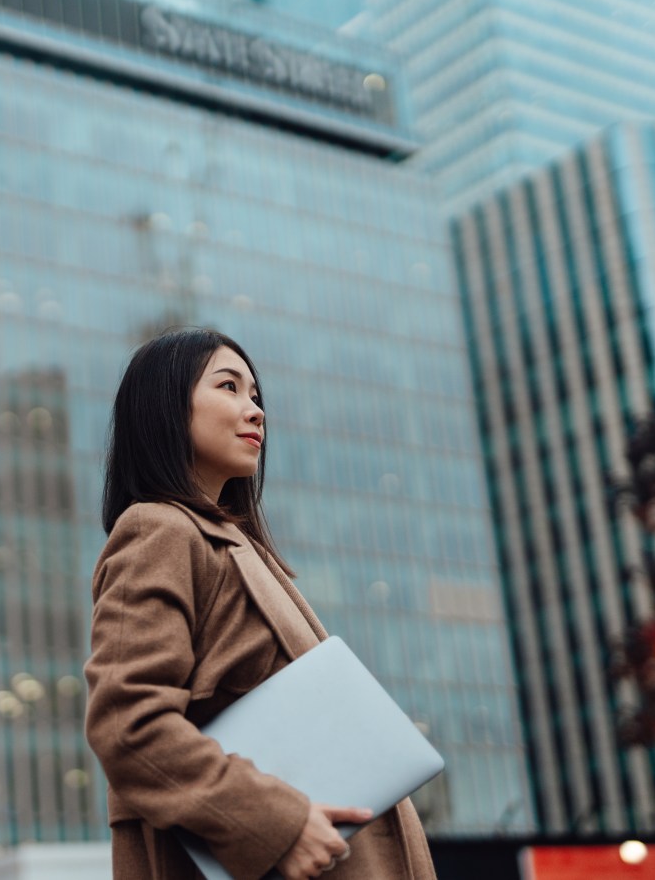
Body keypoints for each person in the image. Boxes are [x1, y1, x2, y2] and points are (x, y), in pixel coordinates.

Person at [84, 328, 436, 880]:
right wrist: (276, 825)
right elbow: (129, 726)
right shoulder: (159, 531)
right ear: (165, 408)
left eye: (256, 396)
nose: (255, 411)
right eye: (229, 387)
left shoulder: (237, 547)